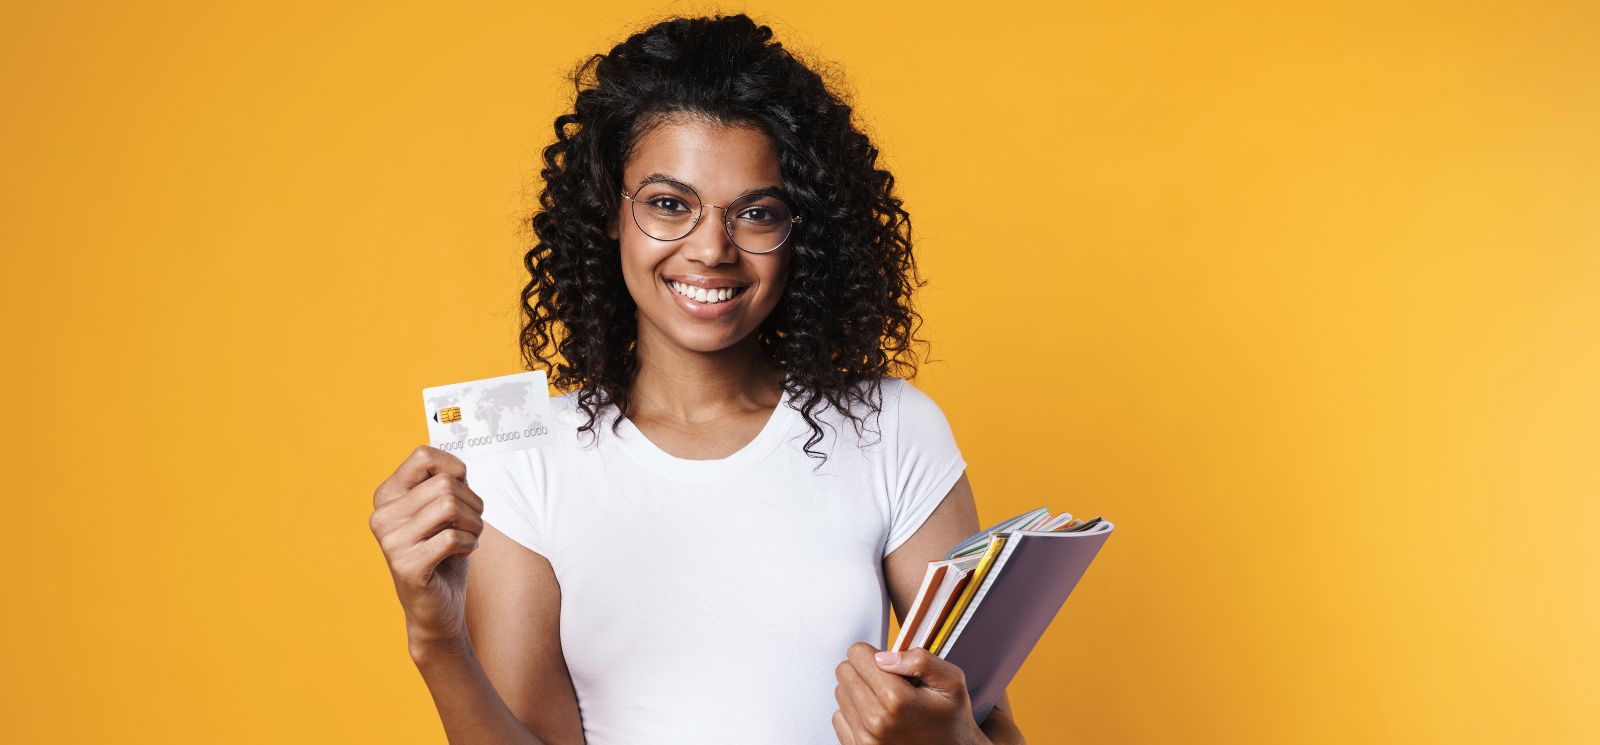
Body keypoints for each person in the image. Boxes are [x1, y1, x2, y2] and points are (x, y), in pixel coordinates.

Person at [369, 13, 1028, 745]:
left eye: (757, 212)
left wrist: (947, 740)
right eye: (668, 204)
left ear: (802, 228)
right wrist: (436, 640)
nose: (711, 248)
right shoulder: (523, 461)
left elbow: (988, 724)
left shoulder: (892, 428)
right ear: (609, 214)